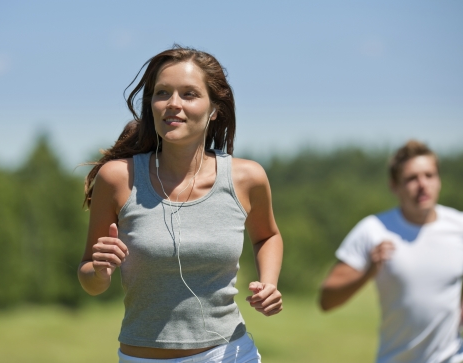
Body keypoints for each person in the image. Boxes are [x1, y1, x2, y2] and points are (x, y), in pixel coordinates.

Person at [78, 45, 283, 363]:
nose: (173, 104)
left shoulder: (247, 177)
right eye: (163, 93)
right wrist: (99, 272)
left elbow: (267, 235)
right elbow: (89, 278)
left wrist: (269, 284)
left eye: (189, 94)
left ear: (214, 108)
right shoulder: (118, 178)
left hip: (228, 353)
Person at [319, 140, 463, 363]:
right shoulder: (373, 230)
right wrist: (368, 271)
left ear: (439, 180)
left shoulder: (459, 226)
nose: (423, 184)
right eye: (411, 178)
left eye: (429, 175)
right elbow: (327, 300)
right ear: (394, 186)